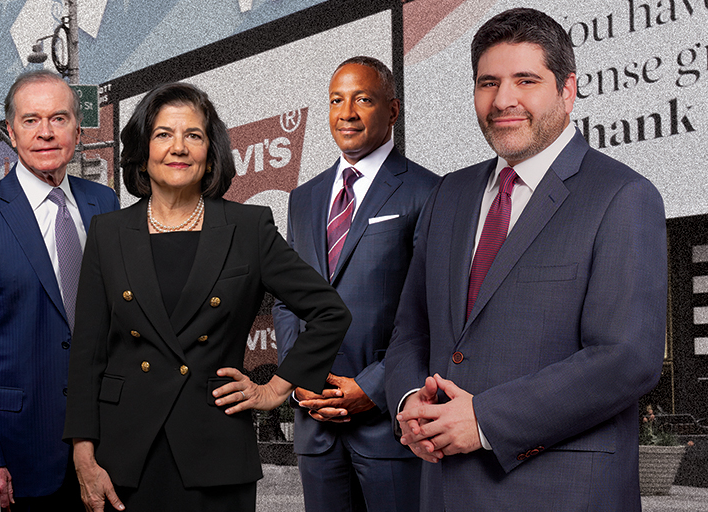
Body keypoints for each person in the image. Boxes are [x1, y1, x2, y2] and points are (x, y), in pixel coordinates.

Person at [384, 8, 667, 511]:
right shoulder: (449, 194)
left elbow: (626, 359)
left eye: (526, 80)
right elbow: (412, 329)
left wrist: (487, 419)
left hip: (561, 492)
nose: (503, 100)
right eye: (488, 82)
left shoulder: (622, 195)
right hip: (444, 490)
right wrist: (410, 404)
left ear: (568, 89)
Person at [63, 82, 351, 512]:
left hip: (215, 451)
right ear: (142, 150)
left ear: (211, 151)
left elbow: (330, 312)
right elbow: (87, 354)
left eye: (193, 136)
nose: (178, 148)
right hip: (125, 455)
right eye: (163, 134)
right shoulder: (108, 233)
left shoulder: (249, 227)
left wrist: (274, 391)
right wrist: (83, 454)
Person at [0, 70, 119, 511]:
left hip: (109, 443)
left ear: (78, 131)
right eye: (30, 120)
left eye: (58, 119)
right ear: (10, 132)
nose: (45, 133)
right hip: (19, 453)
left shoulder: (106, 205)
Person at [273, 56, 438, 512]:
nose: (346, 113)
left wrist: (375, 387)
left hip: (389, 426)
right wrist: (299, 374)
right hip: (316, 427)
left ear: (393, 109)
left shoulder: (428, 191)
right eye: (336, 101)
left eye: (362, 99)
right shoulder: (303, 199)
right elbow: (289, 301)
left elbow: (431, 309)